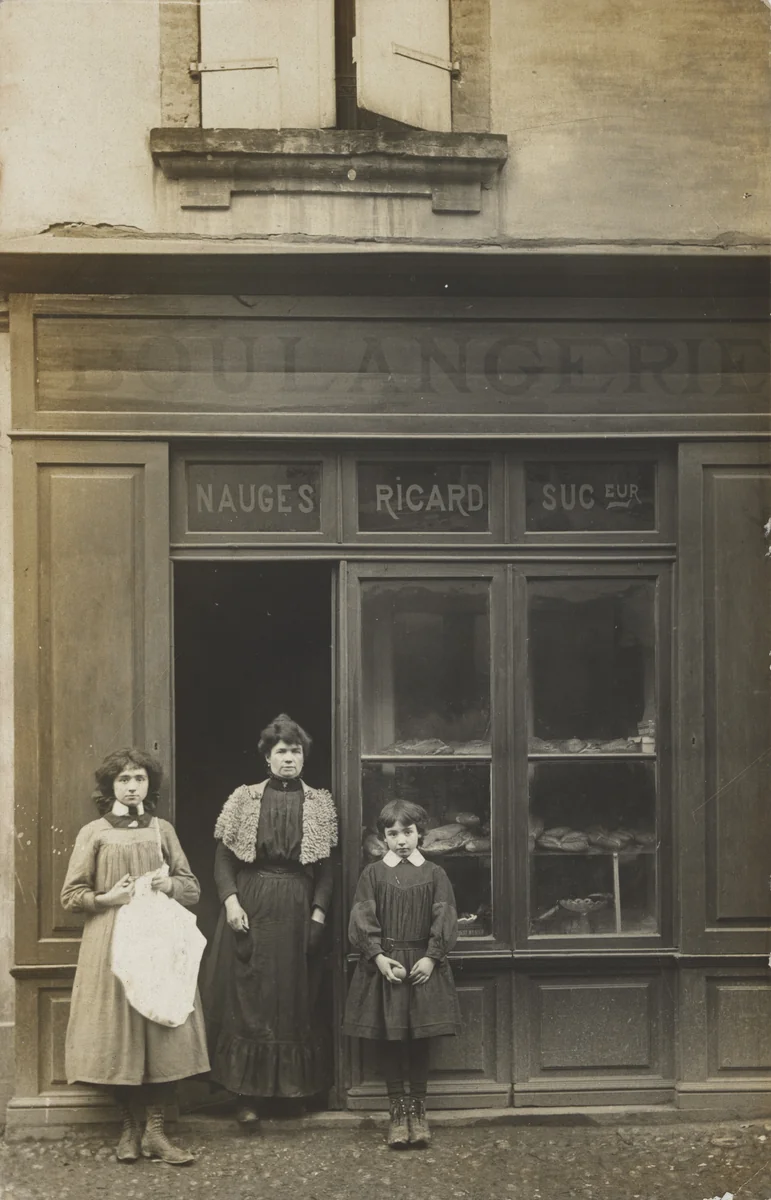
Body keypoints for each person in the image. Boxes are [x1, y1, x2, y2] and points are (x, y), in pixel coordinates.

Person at [60, 748, 209, 1166]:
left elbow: (192, 887)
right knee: (116, 1035)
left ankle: (157, 1134)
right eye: (123, 779)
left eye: (139, 779)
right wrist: (109, 896)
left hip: (158, 941)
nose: (131, 786)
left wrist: (167, 887)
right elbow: (70, 896)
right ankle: (128, 1129)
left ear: (149, 785)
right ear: (110, 786)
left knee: (162, 1033)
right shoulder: (94, 832)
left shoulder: (162, 830)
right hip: (109, 940)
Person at [202, 713, 337, 1128]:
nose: (289, 759)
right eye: (281, 751)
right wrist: (230, 902)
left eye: (295, 751)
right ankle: (247, 1096)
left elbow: (328, 869)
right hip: (252, 902)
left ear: (304, 757)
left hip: (297, 904)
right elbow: (223, 858)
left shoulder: (319, 802)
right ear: (267, 756)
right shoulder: (243, 798)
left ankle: (290, 1093)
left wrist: (318, 912)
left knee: (293, 998)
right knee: (250, 997)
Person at [342, 800, 462, 1149]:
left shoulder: (435, 874)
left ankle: (419, 1111)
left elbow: (446, 917)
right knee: (393, 1040)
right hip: (388, 967)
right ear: (384, 837)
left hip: (423, 966)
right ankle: (397, 1112)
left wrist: (432, 957)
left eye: (407, 832)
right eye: (392, 834)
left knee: (419, 1041)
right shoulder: (374, 874)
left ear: (419, 833)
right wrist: (377, 957)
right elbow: (362, 919)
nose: (401, 841)